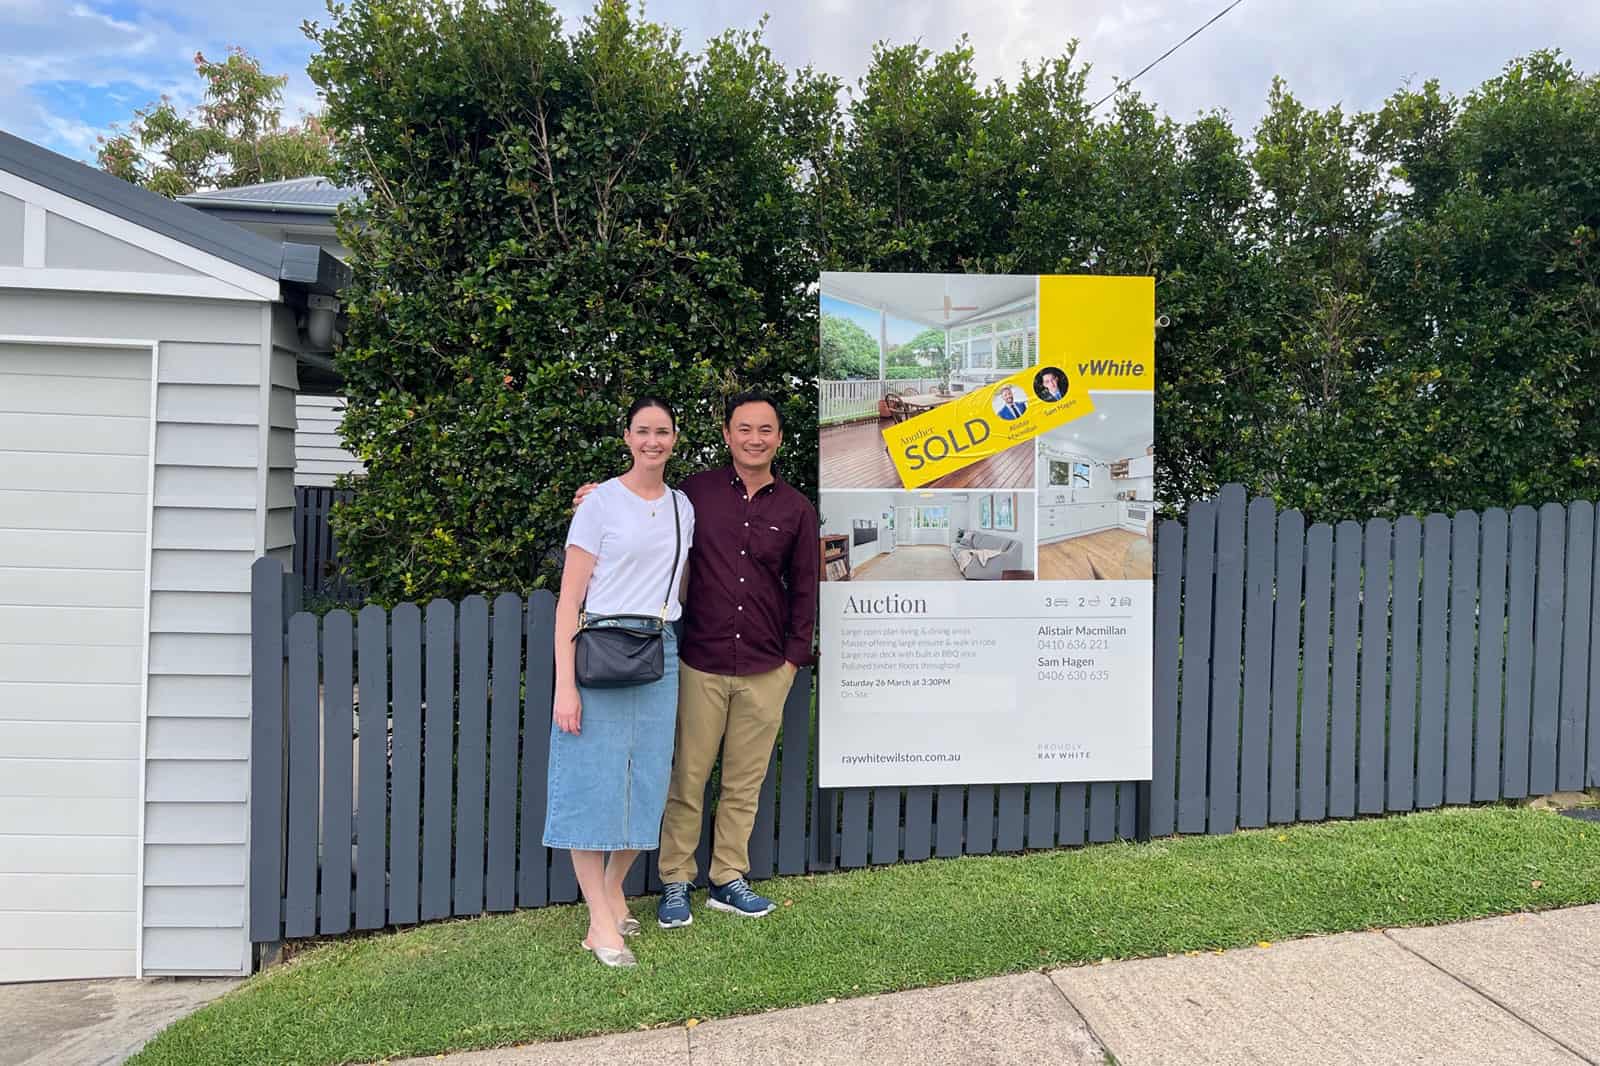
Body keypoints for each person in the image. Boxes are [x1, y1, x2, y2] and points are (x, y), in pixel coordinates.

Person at [573, 390, 819, 929]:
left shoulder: (797, 509)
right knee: (686, 777)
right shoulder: (693, 496)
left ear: (779, 438)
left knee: (744, 781)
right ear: (727, 435)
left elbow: (805, 591)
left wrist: (792, 661)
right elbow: (643, 509)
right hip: (700, 660)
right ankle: (676, 882)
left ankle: (728, 878)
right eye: (744, 429)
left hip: (765, 667)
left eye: (766, 430)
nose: (755, 439)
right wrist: (594, 499)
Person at [548, 397, 694, 968]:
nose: (652, 441)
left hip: (659, 649)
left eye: (662, 432)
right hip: (600, 650)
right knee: (591, 785)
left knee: (647, 783)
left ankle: (612, 889)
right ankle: (599, 920)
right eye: (642, 431)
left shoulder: (684, 506)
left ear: (674, 439)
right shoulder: (600, 504)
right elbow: (569, 601)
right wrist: (566, 685)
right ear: (627, 437)